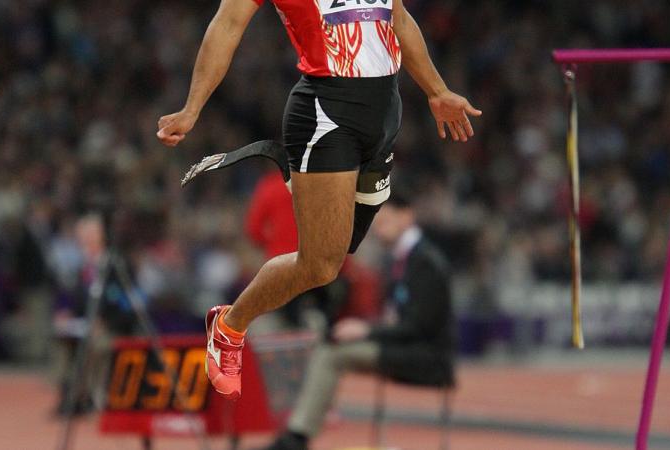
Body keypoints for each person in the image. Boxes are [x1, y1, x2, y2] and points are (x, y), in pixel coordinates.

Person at [157, 0, 480, 400]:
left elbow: (398, 17)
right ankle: (229, 326)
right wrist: (193, 108)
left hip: (384, 113)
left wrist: (438, 90)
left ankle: (303, 188)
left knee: (343, 250)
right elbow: (226, 26)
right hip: (328, 115)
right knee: (321, 265)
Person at [261, 190, 453, 450]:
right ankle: (299, 432)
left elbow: (418, 326)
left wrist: (366, 331)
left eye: (384, 222)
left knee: (332, 354)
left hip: (426, 356)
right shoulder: (401, 258)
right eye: (377, 223)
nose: (378, 229)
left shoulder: (425, 262)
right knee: (331, 345)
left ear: (406, 216)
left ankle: (297, 437)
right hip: (403, 346)